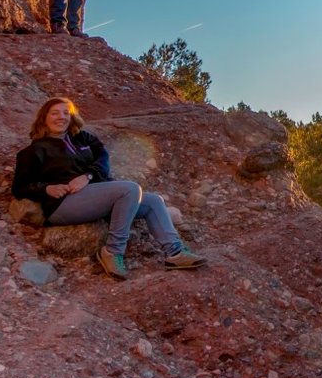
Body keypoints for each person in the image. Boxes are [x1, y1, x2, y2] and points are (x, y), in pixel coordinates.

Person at [11, 97, 204, 279]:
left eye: (66, 113)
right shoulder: (33, 151)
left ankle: (175, 252)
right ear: (44, 118)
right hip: (63, 204)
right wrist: (47, 188)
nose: (61, 117)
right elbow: (20, 187)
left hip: (95, 194)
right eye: (55, 113)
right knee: (129, 189)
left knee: (153, 201)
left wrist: (87, 176)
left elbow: (103, 159)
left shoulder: (83, 138)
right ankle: (112, 251)